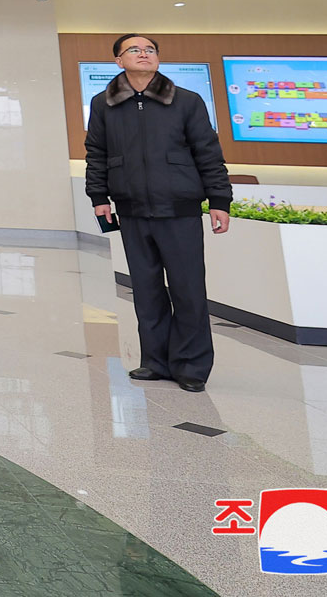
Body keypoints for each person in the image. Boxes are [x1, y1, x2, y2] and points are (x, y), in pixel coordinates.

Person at [85, 33, 232, 393]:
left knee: (187, 289)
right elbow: (96, 152)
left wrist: (219, 200)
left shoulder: (186, 101)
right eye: (134, 50)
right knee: (147, 291)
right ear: (119, 61)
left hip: (178, 209)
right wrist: (98, 196)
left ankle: (191, 366)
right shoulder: (104, 104)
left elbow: (208, 153)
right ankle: (155, 361)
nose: (143, 54)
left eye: (150, 50)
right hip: (132, 210)